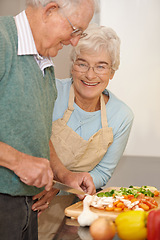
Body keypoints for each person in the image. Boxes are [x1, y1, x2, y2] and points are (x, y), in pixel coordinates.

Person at [0, 0, 98, 239]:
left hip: (28, 209)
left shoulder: (45, 64)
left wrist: (64, 176)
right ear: (51, 10)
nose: (74, 41)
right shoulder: (2, 42)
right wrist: (17, 161)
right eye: (75, 31)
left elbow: (38, 134)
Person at [34, 23, 134, 238]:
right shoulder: (50, 90)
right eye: (82, 64)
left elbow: (103, 173)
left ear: (112, 72)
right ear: (72, 65)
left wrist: (58, 187)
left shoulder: (121, 116)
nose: (90, 75)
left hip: (74, 206)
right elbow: (29, 140)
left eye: (101, 66)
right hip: (30, 195)